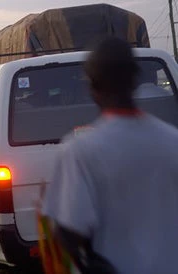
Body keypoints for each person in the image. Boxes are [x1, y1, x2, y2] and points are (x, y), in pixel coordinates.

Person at [42, 37, 178, 274]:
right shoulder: (172, 141)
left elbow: (69, 232)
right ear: (135, 80)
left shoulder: (80, 151)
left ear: (92, 87)